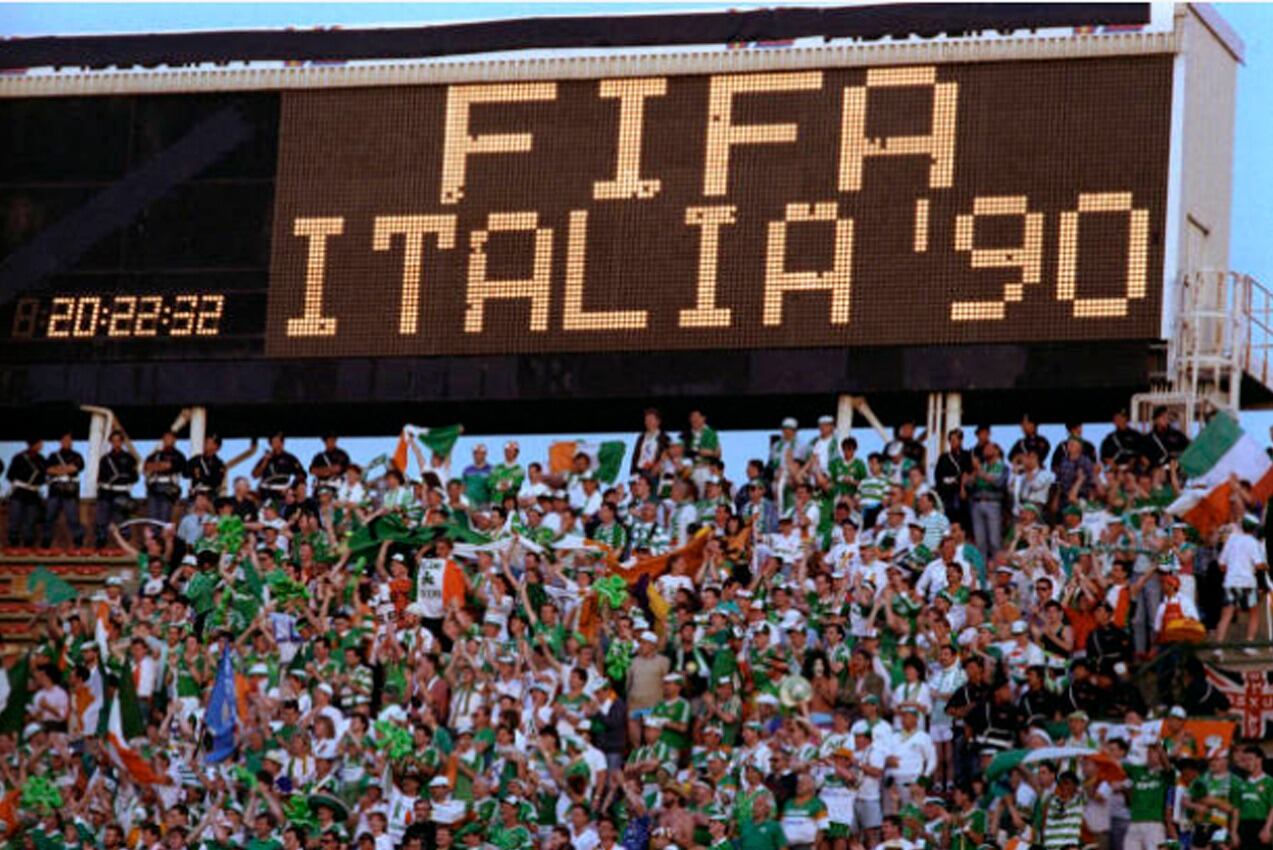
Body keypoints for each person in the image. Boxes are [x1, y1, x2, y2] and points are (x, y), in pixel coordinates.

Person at [95, 428, 139, 550]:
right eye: (113, 441)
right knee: (101, 520)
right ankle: (100, 545)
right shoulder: (105, 459)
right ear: (110, 442)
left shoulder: (129, 458)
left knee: (122, 521)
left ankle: (124, 547)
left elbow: (135, 477)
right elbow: (100, 478)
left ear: (122, 442)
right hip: (106, 493)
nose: (116, 443)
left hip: (122, 493)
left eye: (118, 440)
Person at [44, 431, 85, 551]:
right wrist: (65, 469)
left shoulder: (77, 455)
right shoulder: (53, 456)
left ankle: (78, 542)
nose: (67, 442)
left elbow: (75, 468)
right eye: (64, 440)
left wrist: (59, 469)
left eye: (69, 440)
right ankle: (46, 542)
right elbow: (48, 470)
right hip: (54, 491)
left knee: (73, 518)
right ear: (60, 442)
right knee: (49, 518)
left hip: (70, 492)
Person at [6, 437, 46, 549]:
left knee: (30, 523)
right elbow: (10, 475)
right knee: (15, 520)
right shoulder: (19, 458)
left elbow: (43, 477)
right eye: (39, 443)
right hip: (19, 493)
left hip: (33, 495)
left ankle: (28, 546)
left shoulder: (41, 459)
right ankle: (13, 545)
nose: (41, 445)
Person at [143, 430, 186, 523]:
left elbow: (170, 465)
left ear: (174, 440)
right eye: (165, 438)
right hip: (153, 486)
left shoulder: (178, 455)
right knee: (152, 517)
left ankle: (162, 536)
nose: (167, 440)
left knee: (164, 517)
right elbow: (146, 467)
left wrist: (156, 466)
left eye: (169, 438)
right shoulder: (156, 454)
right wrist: (161, 466)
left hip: (168, 488)